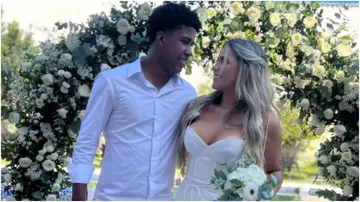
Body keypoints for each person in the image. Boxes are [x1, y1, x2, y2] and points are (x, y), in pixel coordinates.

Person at [68, 2, 201, 201]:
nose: (189, 51)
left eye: (191, 44)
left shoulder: (187, 94)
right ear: (161, 38)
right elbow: (87, 142)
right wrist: (79, 197)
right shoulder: (112, 82)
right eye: (184, 41)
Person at [174, 39, 283, 200]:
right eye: (218, 60)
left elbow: (274, 172)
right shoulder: (197, 108)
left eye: (224, 61)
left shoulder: (264, 121)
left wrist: (256, 194)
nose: (215, 67)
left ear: (245, 70)